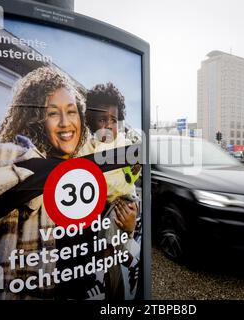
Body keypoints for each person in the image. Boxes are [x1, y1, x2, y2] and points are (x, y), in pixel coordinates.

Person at [0, 67, 137, 300]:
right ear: (35, 118)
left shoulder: (85, 164)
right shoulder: (21, 161)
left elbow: (108, 213)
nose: (65, 122)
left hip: (89, 287)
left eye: (72, 112)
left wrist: (128, 229)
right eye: (52, 113)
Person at [85, 83, 141, 299]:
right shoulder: (91, 145)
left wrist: (135, 168)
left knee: (108, 233)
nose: (108, 125)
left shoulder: (123, 143)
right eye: (102, 120)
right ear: (92, 122)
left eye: (113, 120)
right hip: (107, 204)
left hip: (123, 200)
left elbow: (131, 175)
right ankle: (129, 262)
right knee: (106, 240)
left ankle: (107, 276)